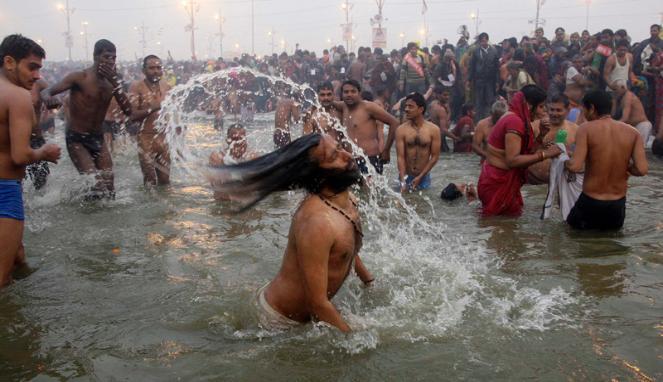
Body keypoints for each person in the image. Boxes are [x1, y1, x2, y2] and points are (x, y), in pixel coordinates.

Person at [208, 133, 373, 332]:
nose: (347, 155)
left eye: (339, 148)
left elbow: (346, 248)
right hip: (278, 321)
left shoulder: (348, 200)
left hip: (307, 313)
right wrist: (355, 341)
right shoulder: (317, 222)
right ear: (317, 174)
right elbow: (318, 304)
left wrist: (369, 283)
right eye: (333, 157)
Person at [0, 35, 61, 287]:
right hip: (4, 190)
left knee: (17, 257)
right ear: (10, 62)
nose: (37, 76)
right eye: (32, 67)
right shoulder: (17, 96)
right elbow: (21, 155)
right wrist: (44, 153)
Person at [41, 39, 133, 199]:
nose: (110, 61)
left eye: (113, 58)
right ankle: (75, 204)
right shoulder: (80, 77)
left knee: (110, 188)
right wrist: (49, 99)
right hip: (76, 138)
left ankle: (102, 218)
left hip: (98, 138)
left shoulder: (113, 82)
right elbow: (46, 91)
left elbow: (128, 110)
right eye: (106, 57)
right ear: (95, 57)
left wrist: (115, 83)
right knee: (96, 185)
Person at [565, 90, 648, 230]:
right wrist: (625, 166)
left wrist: (564, 157)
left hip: (591, 201)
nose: (584, 114)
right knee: (610, 246)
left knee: (575, 240)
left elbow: (575, 166)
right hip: (617, 205)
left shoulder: (586, 129)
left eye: (584, 109)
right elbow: (641, 169)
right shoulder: (633, 133)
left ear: (591, 108)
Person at [478, 85, 562, 216]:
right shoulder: (514, 121)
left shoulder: (516, 118)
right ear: (529, 105)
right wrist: (546, 154)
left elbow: (525, 154)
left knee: (508, 225)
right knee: (498, 227)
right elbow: (513, 160)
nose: (543, 111)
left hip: (501, 181)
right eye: (540, 106)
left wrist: (540, 136)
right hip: (497, 182)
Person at [335, 79, 399, 174]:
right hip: (350, 159)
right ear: (342, 94)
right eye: (346, 92)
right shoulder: (343, 106)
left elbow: (394, 122)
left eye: (353, 91)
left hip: (370, 159)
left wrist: (386, 150)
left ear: (359, 93)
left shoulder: (369, 107)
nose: (349, 94)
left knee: (372, 189)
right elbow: (326, 103)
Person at [129, 55, 172, 187]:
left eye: (158, 68)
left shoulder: (166, 86)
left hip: (164, 138)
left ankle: (165, 207)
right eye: (151, 68)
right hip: (145, 138)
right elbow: (132, 115)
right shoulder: (136, 87)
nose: (155, 71)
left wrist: (178, 129)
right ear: (144, 70)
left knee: (165, 181)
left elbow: (172, 113)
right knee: (150, 181)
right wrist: (151, 108)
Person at [527, 93, 580, 184]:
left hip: (562, 183)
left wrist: (565, 152)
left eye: (558, 110)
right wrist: (540, 141)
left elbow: (579, 157)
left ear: (567, 110)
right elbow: (524, 153)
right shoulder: (535, 126)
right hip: (532, 182)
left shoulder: (575, 129)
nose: (554, 114)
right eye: (552, 110)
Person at [395, 93, 441, 192]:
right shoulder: (401, 130)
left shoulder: (434, 130)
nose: (406, 109)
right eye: (406, 106)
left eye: (410, 106)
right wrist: (403, 181)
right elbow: (400, 157)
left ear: (421, 109)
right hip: (405, 176)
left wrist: (420, 176)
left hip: (424, 177)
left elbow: (435, 157)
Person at [612, 80, 653, 145]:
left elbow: (625, 118)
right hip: (634, 127)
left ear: (623, 87)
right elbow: (613, 115)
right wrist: (614, 101)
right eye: (612, 90)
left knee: (639, 148)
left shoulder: (628, 97)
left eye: (615, 89)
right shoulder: (621, 98)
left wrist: (611, 125)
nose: (614, 92)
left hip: (642, 125)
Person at [468, 33, 499, 120]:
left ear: (487, 40)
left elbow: (497, 67)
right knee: (479, 102)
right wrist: (469, 79)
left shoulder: (494, 51)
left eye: (485, 40)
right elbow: (472, 66)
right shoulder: (476, 51)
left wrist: (497, 81)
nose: (483, 42)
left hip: (490, 81)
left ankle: (490, 119)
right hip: (479, 81)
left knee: (490, 101)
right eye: (481, 41)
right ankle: (478, 121)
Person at [27, 78, 50, 189]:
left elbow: (51, 94)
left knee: (41, 183)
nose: (35, 73)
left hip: (35, 139)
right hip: (10, 141)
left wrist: (52, 99)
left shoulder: (39, 83)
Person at [428, 85, 459, 152]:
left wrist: (448, 113)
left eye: (448, 95)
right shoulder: (441, 110)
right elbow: (443, 130)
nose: (447, 97)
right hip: (440, 139)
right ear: (438, 95)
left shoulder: (432, 104)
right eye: (444, 95)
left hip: (433, 137)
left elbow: (432, 119)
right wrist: (456, 138)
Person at [273, 82, 300, 149]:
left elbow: (284, 117)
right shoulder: (292, 102)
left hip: (276, 133)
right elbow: (297, 119)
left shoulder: (280, 101)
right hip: (284, 133)